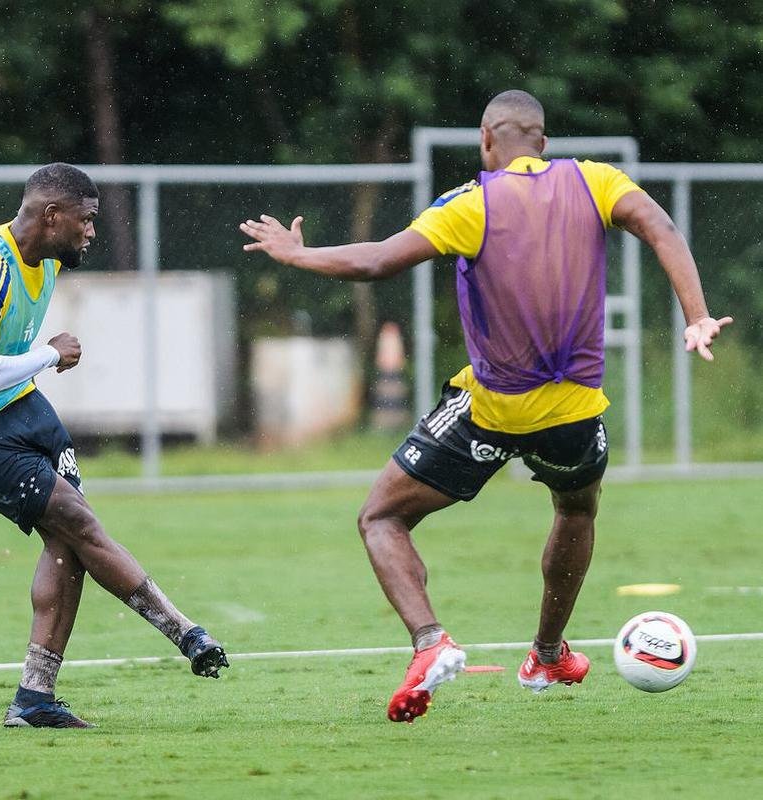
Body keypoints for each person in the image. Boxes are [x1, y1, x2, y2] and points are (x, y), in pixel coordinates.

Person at [240, 90, 731, 723]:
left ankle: (430, 642)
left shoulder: (471, 203)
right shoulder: (597, 181)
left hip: (494, 409)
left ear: (486, 142)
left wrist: (297, 253)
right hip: (577, 409)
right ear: (544, 142)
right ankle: (547, 653)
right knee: (577, 507)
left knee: (381, 518)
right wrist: (695, 316)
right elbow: (660, 226)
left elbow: (378, 262)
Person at [0, 162, 229, 728]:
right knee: (77, 522)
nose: (92, 231)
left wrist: (36, 367)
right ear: (52, 215)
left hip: (21, 406)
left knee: (71, 538)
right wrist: (51, 355)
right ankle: (185, 632)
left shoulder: (46, 258)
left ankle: (35, 698)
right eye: (88, 219)